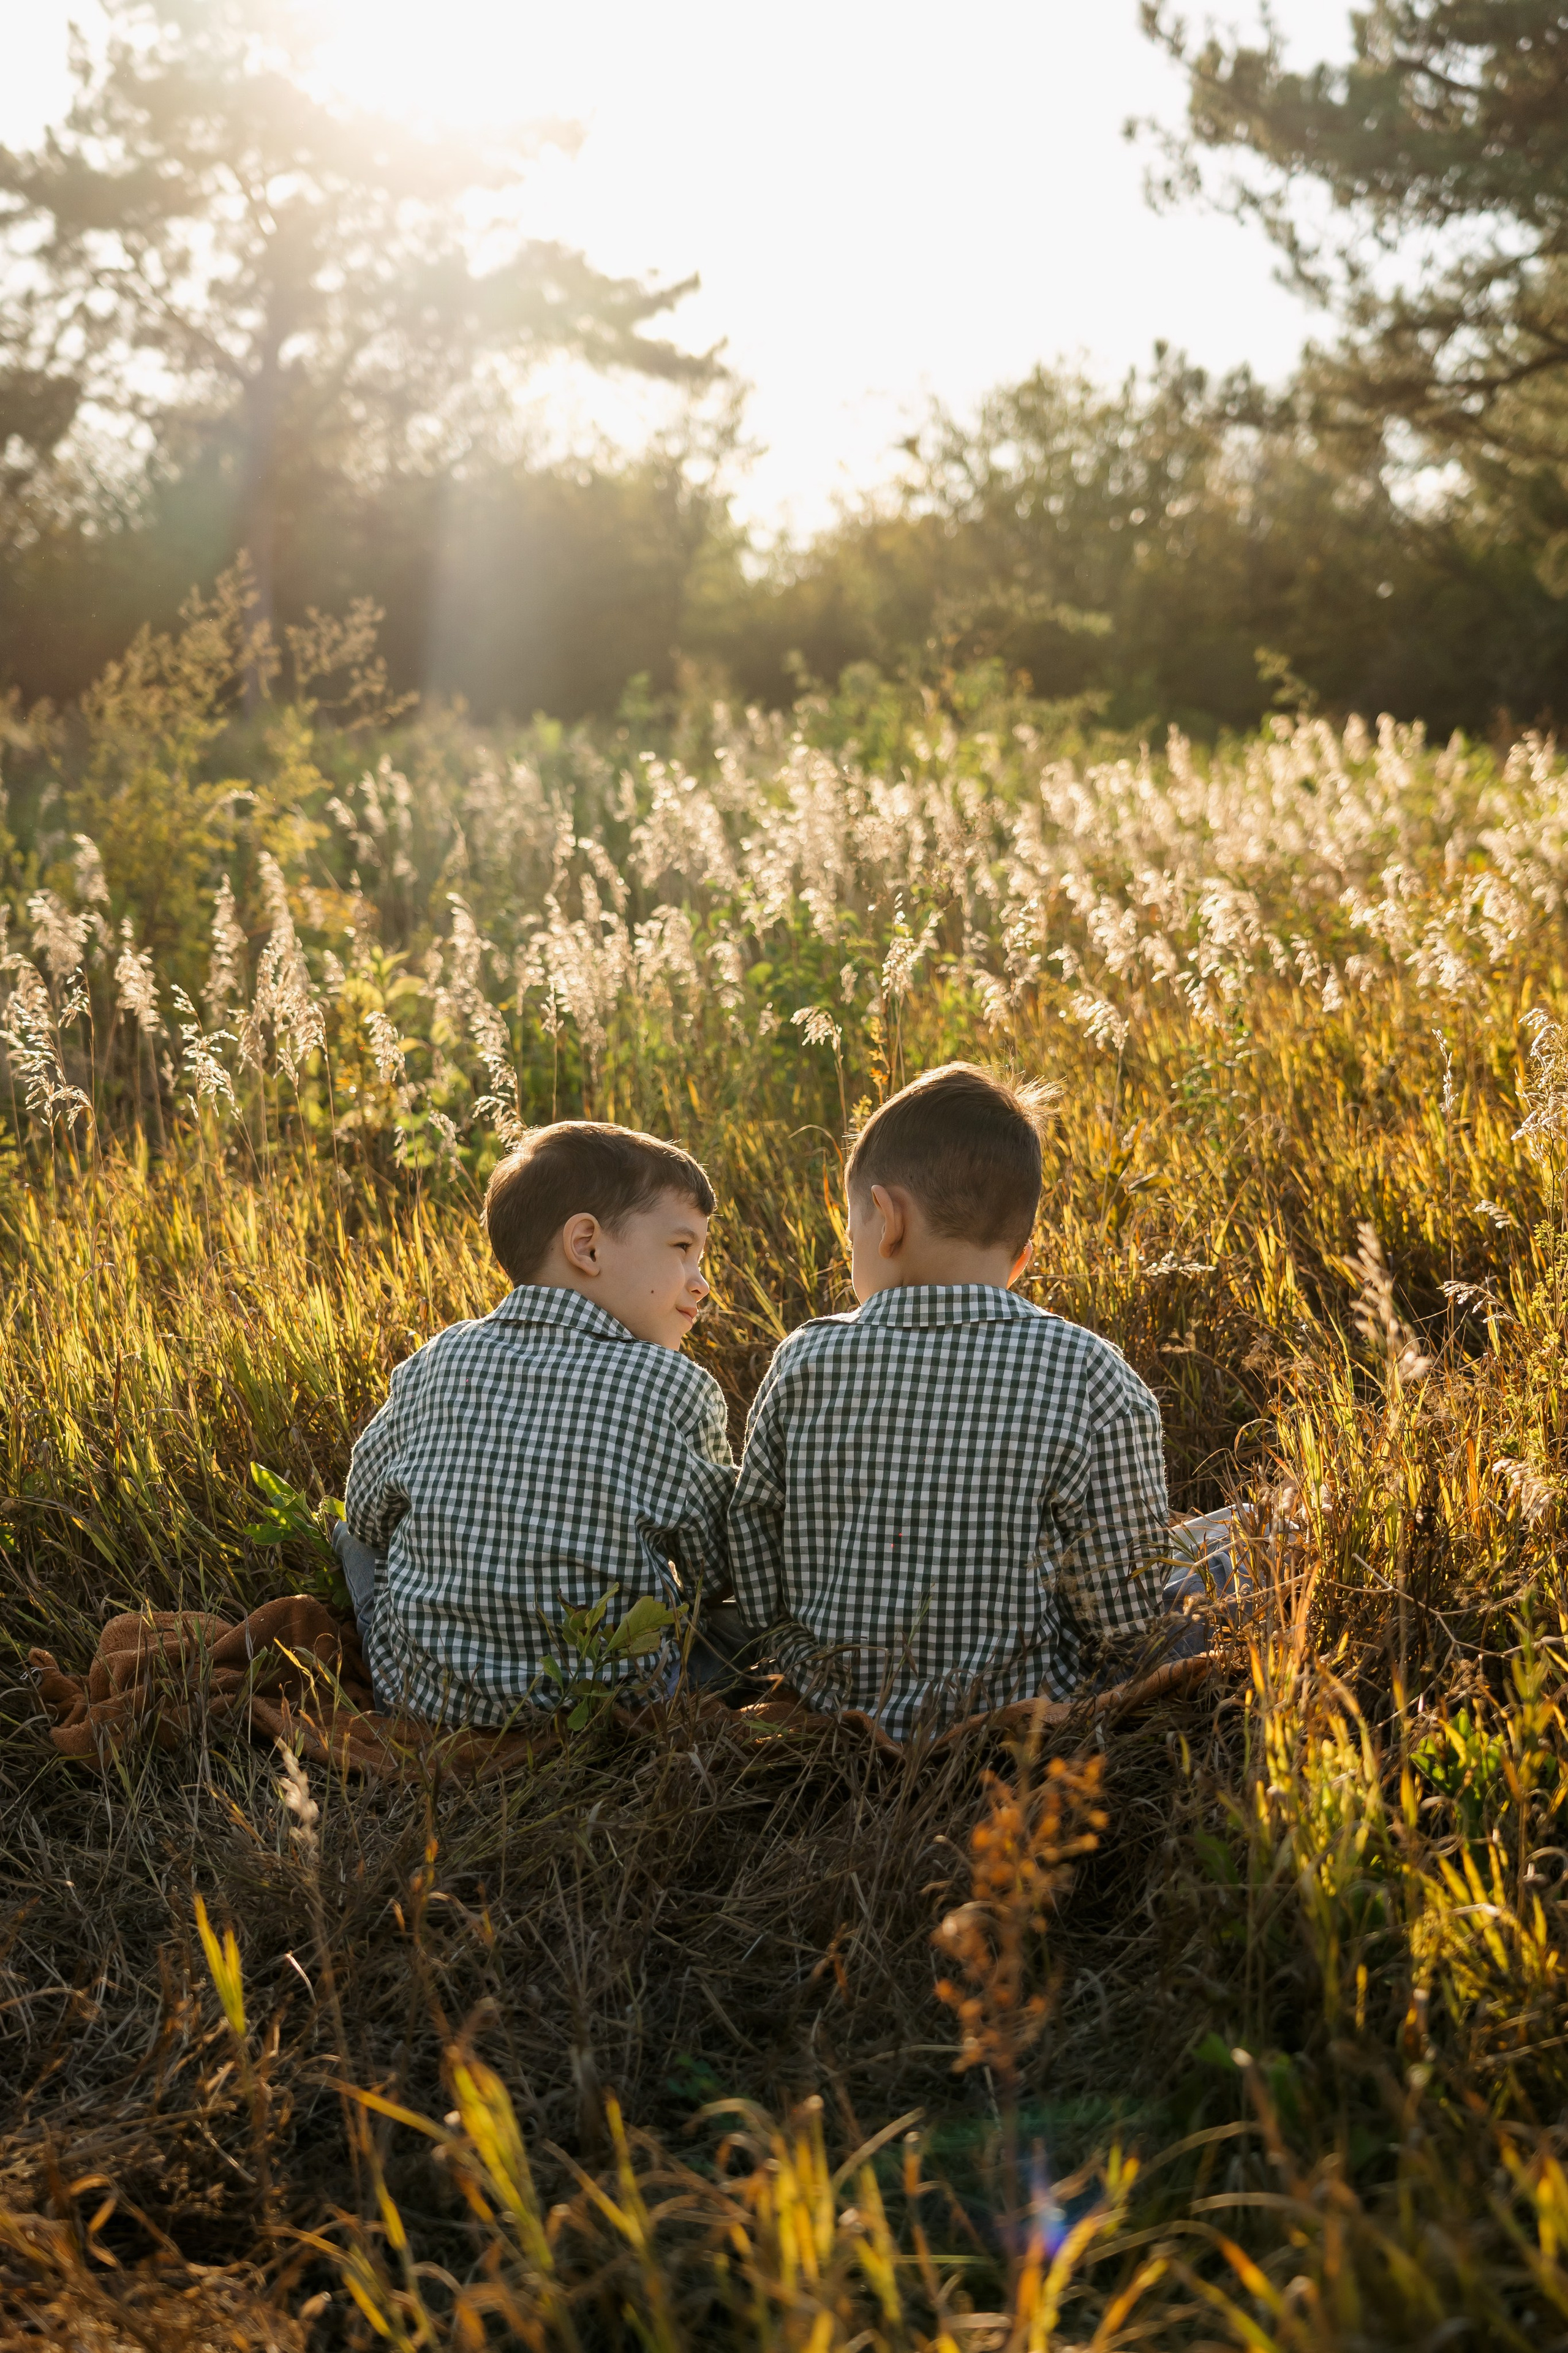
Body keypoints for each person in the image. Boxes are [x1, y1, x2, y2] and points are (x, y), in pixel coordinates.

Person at [726, 1063, 1178, 1738]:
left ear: (886, 1220)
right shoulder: (1090, 1372)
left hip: (833, 1696)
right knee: (1224, 1542)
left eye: (849, 1229)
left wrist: (793, 1647)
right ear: (1021, 1256)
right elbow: (1122, 1617)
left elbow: (753, 1535)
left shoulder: (804, 1358)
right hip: (1015, 1705)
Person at [338, 1121, 734, 1723]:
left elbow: (366, 1510)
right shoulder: (675, 1387)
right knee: (736, 1614)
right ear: (587, 1246)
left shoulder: (438, 1358)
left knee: (351, 1540)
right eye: (683, 1249)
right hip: (606, 1703)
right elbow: (718, 1568)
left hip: (424, 1697)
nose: (701, 1283)